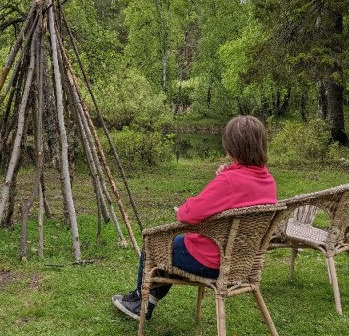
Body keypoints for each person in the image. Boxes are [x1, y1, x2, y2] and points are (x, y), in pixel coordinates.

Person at [112, 115, 277, 321]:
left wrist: (223, 177)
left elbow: (187, 215)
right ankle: (151, 299)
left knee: (155, 244)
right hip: (242, 262)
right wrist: (228, 172)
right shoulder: (268, 180)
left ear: (232, 148)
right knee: (176, 245)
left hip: (210, 260)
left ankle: (140, 302)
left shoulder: (229, 181)